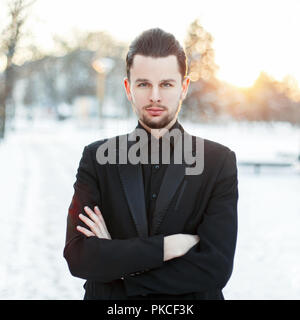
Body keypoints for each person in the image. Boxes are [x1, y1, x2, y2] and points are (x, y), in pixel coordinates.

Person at [63, 28, 238, 300]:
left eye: (166, 84)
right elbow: (79, 256)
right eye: (143, 84)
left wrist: (119, 268)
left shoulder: (218, 162)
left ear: (184, 87)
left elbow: (215, 268)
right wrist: (167, 248)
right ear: (128, 88)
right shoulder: (96, 158)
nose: (155, 96)